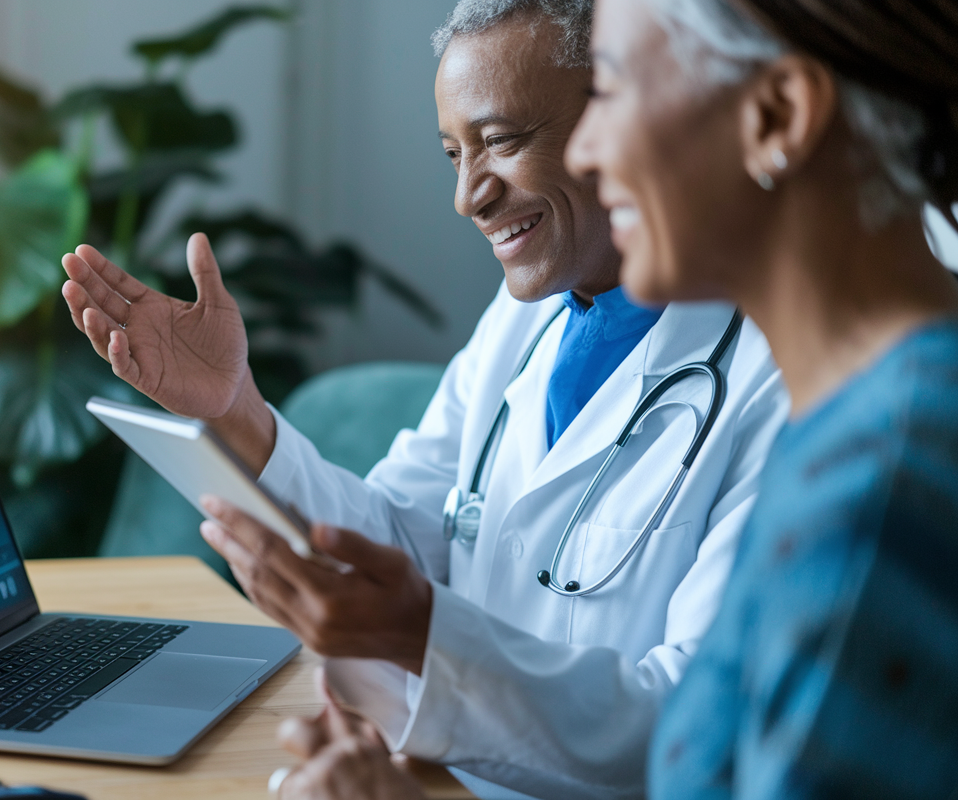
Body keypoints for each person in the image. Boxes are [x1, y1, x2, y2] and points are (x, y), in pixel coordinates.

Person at [63, 1, 790, 796]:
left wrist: (426, 635)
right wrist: (236, 412)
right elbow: (398, 540)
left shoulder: (781, 375)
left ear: (619, 116)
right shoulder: (523, 323)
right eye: (452, 154)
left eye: (502, 141)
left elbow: (695, 723)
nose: (468, 195)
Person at [275, 0, 958, 796]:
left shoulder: (883, 486)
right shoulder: (851, 427)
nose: (590, 151)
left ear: (776, 117)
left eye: (616, 90)